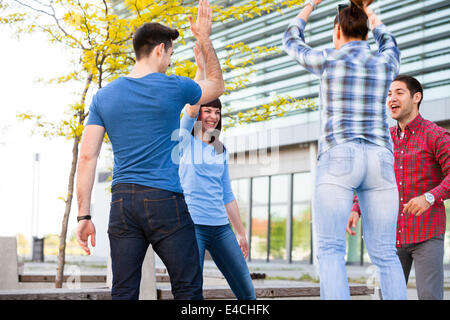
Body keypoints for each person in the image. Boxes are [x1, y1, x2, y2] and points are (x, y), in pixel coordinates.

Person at [75, 0, 224, 300]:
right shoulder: (173, 87)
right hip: (164, 200)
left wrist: (83, 216)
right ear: (160, 50)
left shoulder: (104, 96)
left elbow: (87, 156)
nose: (169, 61)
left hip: (123, 203)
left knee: (124, 290)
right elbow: (216, 86)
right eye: (170, 53)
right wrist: (205, 39)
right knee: (187, 287)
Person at [283, 0, 407, 299]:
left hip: (339, 155)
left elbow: (290, 40)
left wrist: (310, 6)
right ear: (366, 32)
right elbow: (390, 42)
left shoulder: (328, 59)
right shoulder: (384, 62)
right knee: (386, 255)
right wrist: (369, 14)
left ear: (337, 30)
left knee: (330, 250)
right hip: (379, 158)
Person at [348, 75, 450, 300]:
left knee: (430, 297)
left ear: (416, 97)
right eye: (388, 94)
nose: (391, 99)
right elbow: (372, 179)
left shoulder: (435, 135)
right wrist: (356, 208)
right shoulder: (384, 139)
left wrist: (430, 197)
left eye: (399, 93)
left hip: (427, 233)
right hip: (391, 235)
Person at [176, 43, 256, 300]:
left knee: (247, 292)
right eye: (207, 111)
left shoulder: (221, 149)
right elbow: (190, 105)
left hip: (221, 228)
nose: (212, 116)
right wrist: (201, 68)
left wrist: (241, 232)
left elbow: (226, 193)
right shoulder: (183, 140)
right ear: (199, 114)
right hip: (193, 226)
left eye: (216, 112)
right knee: (191, 293)